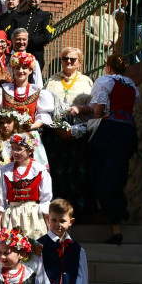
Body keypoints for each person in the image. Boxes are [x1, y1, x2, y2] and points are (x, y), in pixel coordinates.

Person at [88, 54, 139, 245]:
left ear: (108, 67)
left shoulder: (105, 81)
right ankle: (120, 206)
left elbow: (98, 111)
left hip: (111, 132)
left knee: (101, 176)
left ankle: (116, 222)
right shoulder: (131, 85)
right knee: (118, 173)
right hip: (129, 131)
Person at [43, 47, 96, 218]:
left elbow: (93, 107)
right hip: (55, 133)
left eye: (73, 59)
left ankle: (79, 211)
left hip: (77, 132)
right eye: (65, 58)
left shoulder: (86, 82)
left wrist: (80, 109)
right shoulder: (51, 80)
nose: (69, 62)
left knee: (78, 171)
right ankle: (57, 210)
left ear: (79, 63)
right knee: (57, 170)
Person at [0, 133, 52, 240]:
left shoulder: (39, 169)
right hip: (12, 214)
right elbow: (2, 197)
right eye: (13, 148)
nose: (14, 152)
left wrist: (47, 221)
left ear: (30, 150)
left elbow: (45, 198)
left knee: (35, 247)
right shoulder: (6, 171)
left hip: (33, 215)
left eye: (19, 149)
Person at [0, 52, 54, 131]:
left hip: (29, 133)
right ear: (13, 70)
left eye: (24, 68)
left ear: (30, 70)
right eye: (17, 68)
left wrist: (30, 127)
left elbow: (43, 116)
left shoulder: (37, 91)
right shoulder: (1, 91)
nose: (20, 71)